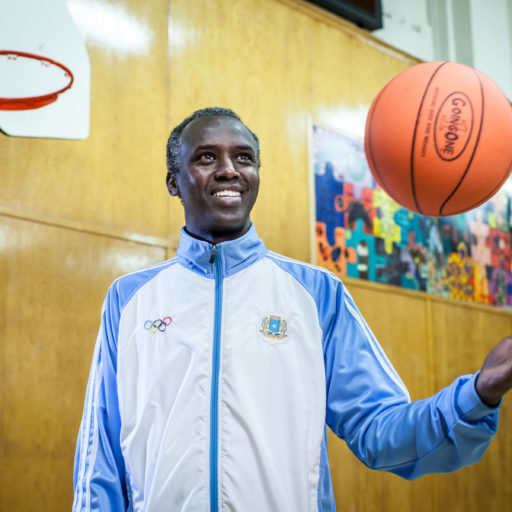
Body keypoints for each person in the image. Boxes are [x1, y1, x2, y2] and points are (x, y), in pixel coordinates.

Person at [73, 107, 512, 512]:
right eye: (207, 157)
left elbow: (381, 431)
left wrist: (476, 394)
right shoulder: (129, 298)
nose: (229, 169)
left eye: (244, 158)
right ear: (173, 181)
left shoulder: (317, 293)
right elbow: (101, 457)